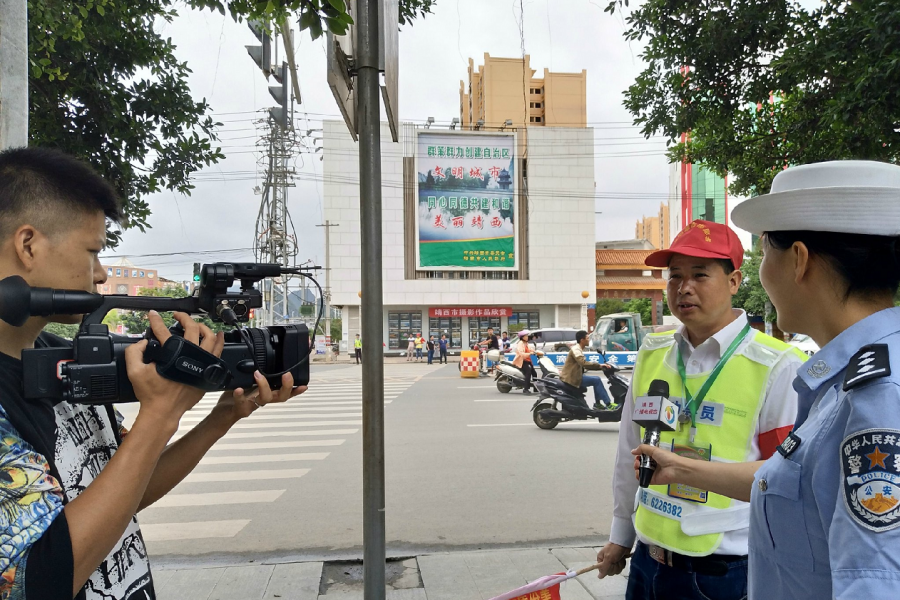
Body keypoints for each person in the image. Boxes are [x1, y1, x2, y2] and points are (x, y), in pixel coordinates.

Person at [0, 147, 307, 599]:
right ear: (28, 245)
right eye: (93, 252)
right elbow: (34, 585)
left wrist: (221, 416)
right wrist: (159, 416)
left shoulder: (56, 355)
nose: (102, 274)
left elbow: (124, 489)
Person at [629, 161, 900, 599]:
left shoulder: (877, 396)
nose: (684, 287)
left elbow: (876, 583)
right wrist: (680, 469)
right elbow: (800, 486)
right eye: (675, 276)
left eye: (764, 253)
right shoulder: (840, 378)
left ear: (797, 260)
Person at [595, 219, 807, 600]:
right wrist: (620, 536)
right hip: (647, 559)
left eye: (699, 275)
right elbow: (628, 450)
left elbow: (783, 480)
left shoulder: (776, 365)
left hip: (721, 572)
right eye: (674, 276)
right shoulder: (653, 353)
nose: (683, 288)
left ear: (734, 281)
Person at [560, 330, 616, 410]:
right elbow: (583, 363)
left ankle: (598, 404)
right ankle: (608, 404)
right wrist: (599, 366)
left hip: (576, 376)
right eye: (587, 338)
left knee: (596, 380)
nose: (588, 340)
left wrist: (600, 365)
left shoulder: (579, 348)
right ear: (582, 340)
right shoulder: (576, 349)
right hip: (572, 378)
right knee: (596, 380)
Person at [512, 330, 544, 394]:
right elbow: (521, 353)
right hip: (522, 361)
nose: (527, 337)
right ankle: (526, 389)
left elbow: (530, 349)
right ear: (522, 337)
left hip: (528, 361)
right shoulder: (520, 343)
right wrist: (530, 353)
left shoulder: (526, 343)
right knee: (528, 373)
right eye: (526, 336)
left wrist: (536, 352)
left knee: (534, 373)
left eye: (527, 336)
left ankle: (535, 388)